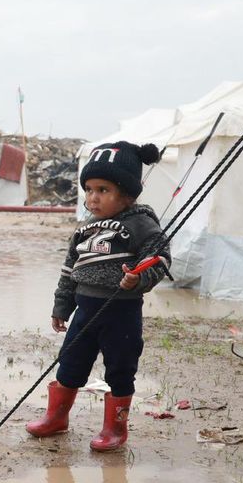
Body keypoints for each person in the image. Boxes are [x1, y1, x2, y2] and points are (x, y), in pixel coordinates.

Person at [26, 141, 170, 451]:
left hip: (121, 314)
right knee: (69, 366)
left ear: (127, 193)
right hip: (84, 312)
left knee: (120, 371)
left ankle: (115, 429)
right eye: (89, 189)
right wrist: (61, 307)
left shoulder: (142, 224)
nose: (93, 197)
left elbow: (160, 260)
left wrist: (138, 279)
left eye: (103, 190)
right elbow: (70, 270)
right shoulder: (85, 229)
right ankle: (56, 418)